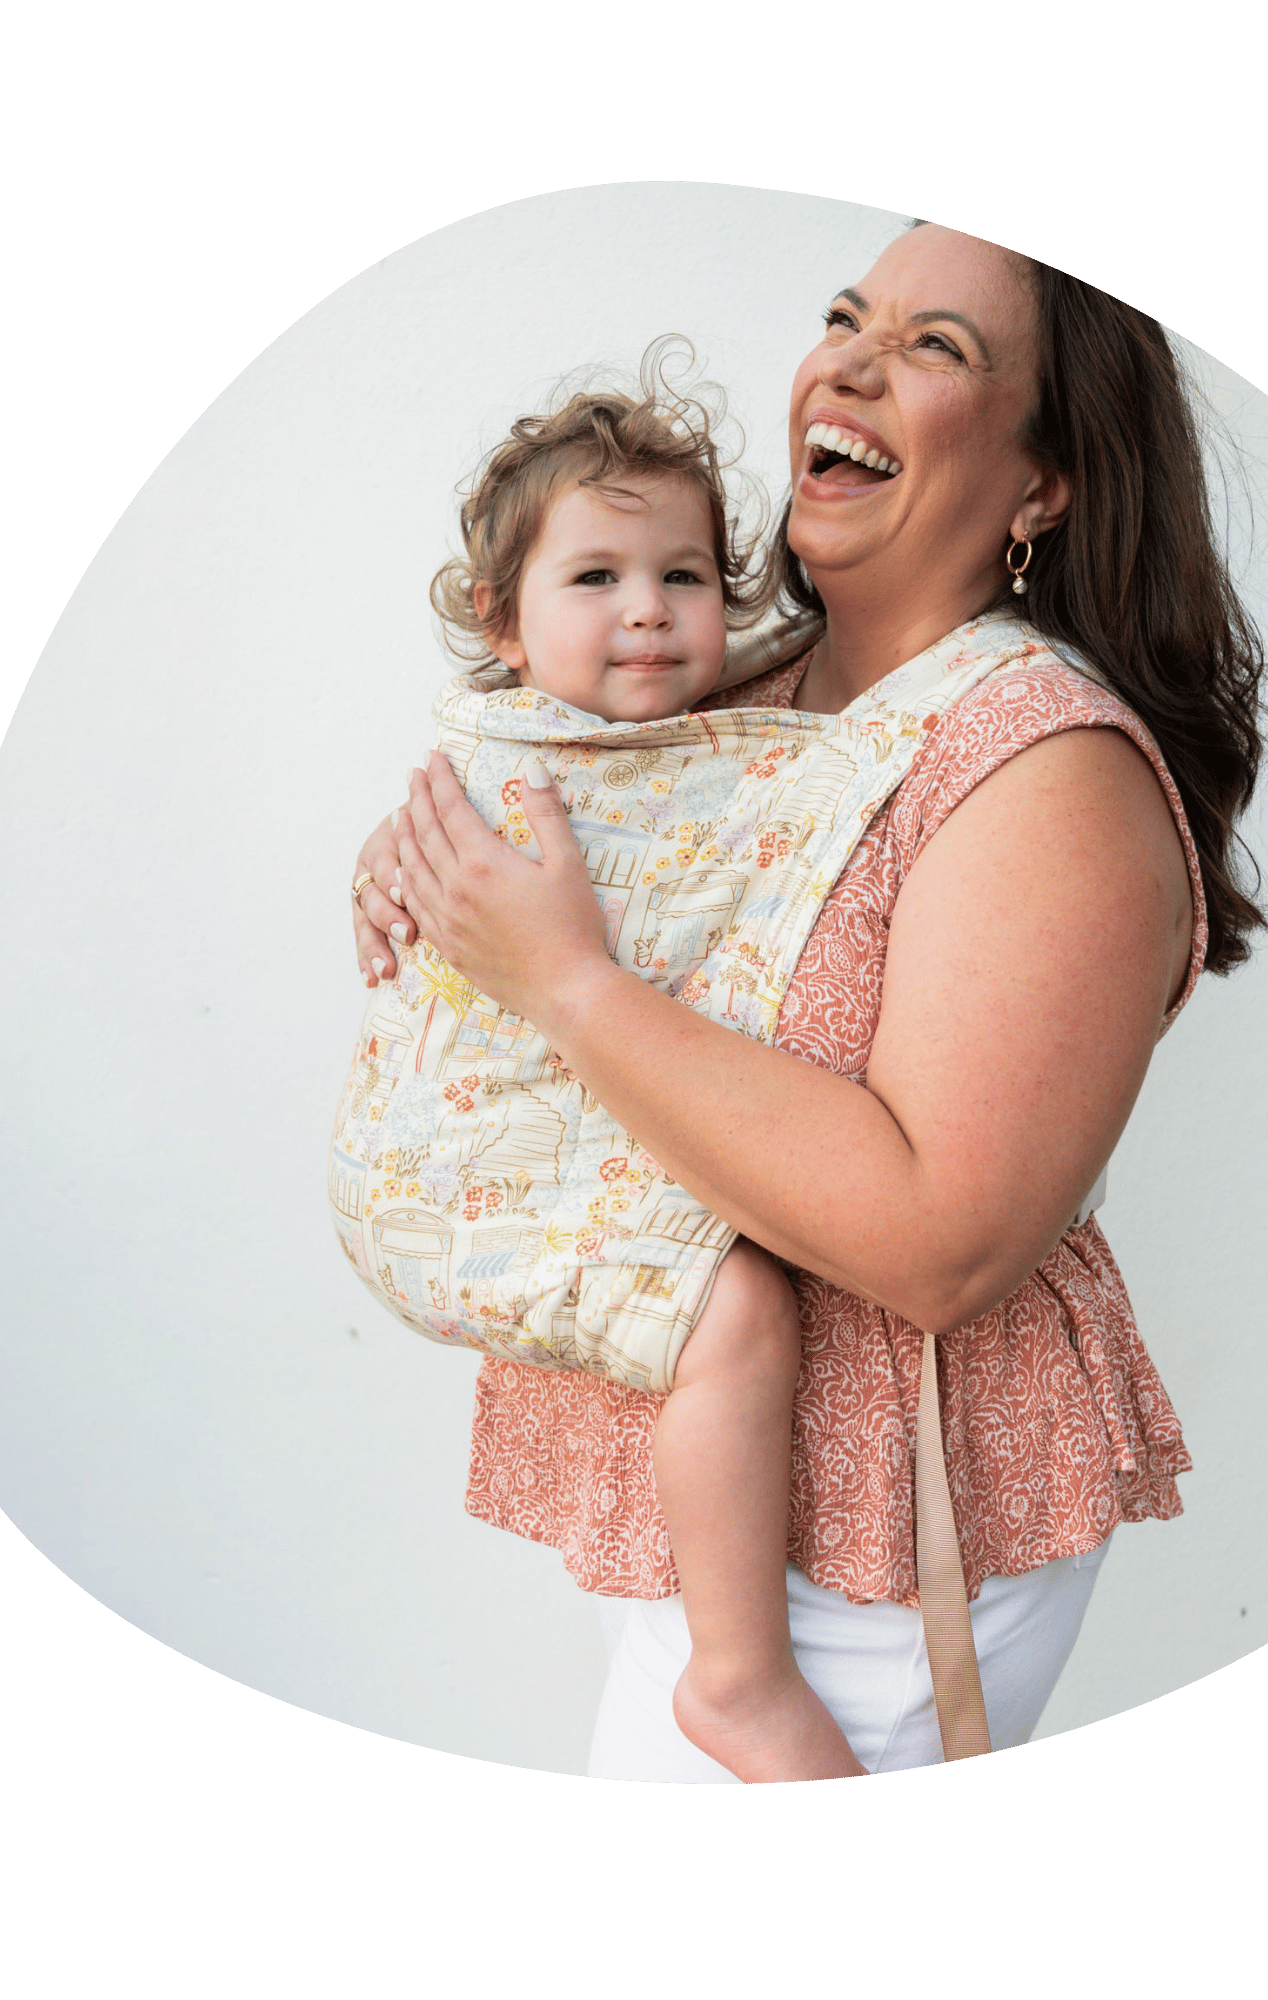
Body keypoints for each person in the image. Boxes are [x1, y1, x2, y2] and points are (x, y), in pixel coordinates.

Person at [351, 222, 1268, 1780]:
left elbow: (942, 1240)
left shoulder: (1045, 770)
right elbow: (569, 827)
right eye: (848, 318)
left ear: (1045, 484)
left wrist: (560, 978)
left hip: (878, 1546)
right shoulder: (743, 683)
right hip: (708, 1506)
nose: (849, 364)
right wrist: (421, 866)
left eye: (935, 347)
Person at [343, 356, 868, 1781]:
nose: (648, 609)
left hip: (579, 1138)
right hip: (463, 1168)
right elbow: (435, 861)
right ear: (501, 625)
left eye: (683, 576)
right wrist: (380, 874)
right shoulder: (506, 763)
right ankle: (739, 1677)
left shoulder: (699, 744)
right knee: (735, 1310)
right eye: (596, 579)